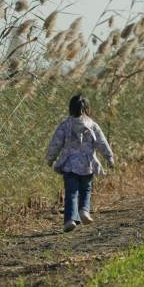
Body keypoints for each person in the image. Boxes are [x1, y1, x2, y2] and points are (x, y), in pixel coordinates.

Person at [45, 94, 114, 232]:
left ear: (70, 108)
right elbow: (101, 142)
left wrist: (50, 158)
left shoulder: (65, 125)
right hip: (87, 164)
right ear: (87, 108)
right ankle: (84, 211)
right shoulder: (92, 125)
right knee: (86, 189)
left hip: (69, 164)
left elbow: (56, 143)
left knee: (71, 193)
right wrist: (109, 157)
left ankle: (70, 219)